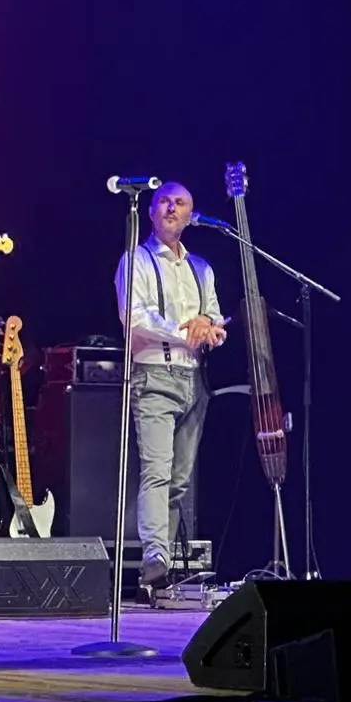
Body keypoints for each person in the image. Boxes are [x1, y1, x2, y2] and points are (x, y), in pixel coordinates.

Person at [115, 181, 227, 589]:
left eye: (179, 203)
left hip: (193, 380)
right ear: (150, 211)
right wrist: (187, 332)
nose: (170, 208)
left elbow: (215, 318)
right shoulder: (137, 260)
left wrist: (212, 330)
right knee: (157, 472)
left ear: (190, 214)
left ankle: (160, 571)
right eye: (163, 201)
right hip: (154, 376)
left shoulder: (202, 268)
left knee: (179, 479)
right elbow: (136, 318)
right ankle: (155, 554)